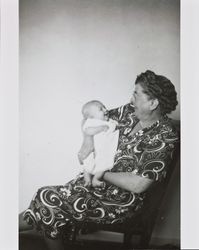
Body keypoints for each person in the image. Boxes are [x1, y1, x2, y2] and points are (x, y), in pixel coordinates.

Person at [19, 70, 179, 250]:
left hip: (121, 202)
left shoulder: (165, 136)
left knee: (46, 198)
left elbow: (139, 184)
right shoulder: (128, 112)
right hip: (92, 187)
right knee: (46, 205)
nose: (131, 99)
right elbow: (90, 119)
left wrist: (100, 173)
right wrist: (87, 140)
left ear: (153, 103)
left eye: (136, 94)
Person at [78, 100, 119, 188]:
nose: (105, 110)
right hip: (94, 150)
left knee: (104, 165)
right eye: (101, 109)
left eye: (104, 107)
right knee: (87, 164)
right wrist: (100, 128)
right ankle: (87, 180)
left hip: (104, 150)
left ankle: (96, 179)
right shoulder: (92, 122)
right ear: (91, 117)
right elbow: (88, 131)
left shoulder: (109, 121)